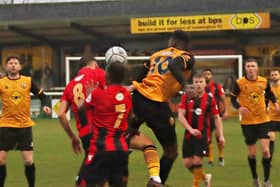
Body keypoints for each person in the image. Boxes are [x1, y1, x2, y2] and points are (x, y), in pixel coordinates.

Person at [128, 30, 195, 185]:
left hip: (138, 99)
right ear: (184, 46)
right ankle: (158, 183)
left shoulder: (155, 55)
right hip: (155, 103)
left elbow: (139, 78)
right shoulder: (186, 56)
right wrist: (185, 86)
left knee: (127, 132)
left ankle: (122, 151)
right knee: (171, 152)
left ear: (172, 42)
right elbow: (173, 65)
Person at [76, 61, 132, 187]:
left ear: (108, 76)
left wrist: (89, 95)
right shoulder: (127, 95)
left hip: (100, 149)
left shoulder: (97, 94)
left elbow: (80, 109)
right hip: (121, 149)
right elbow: (129, 118)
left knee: (82, 183)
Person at [0, 56, 51, 187]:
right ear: (6, 67)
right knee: (0, 161)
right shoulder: (1, 82)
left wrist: (46, 105)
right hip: (5, 125)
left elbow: (43, 96)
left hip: (24, 126)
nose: (13, 65)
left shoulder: (27, 81)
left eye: (15, 63)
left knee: (28, 161)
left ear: (19, 67)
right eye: (10, 63)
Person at [231, 58, 279, 187]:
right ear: (245, 68)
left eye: (253, 66)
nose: (251, 68)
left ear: (257, 68)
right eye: (248, 66)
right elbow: (233, 99)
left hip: (263, 120)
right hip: (248, 123)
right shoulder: (239, 83)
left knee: (265, 151)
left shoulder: (264, 81)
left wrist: (275, 103)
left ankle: (267, 180)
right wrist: (239, 107)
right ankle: (255, 178)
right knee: (252, 154)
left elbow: (270, 93)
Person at [178, 74, 225, 187]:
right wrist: (190, 129)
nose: (198, 84)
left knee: (197, 161)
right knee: (187, 163)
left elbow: (216, 117)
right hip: (189, 134)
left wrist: (221, 135)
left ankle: (196, 185)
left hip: (203, 135)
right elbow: (180, 116)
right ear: (193, 84)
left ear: (205, 84)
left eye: (200, 82)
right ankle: (205, 177)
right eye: (196, 82)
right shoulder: (186, 97)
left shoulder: (210, 99)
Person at [202, 68, 227, 166]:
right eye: (205, 74)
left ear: (211, 76)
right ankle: (210, 159)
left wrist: (225, 111)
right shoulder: (201, 86)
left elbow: (223, 99)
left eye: (208, 74)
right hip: (205, 116)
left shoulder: (217, 86)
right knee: (208, 138)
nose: (206, 76)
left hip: (216, 115)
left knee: (218, 136)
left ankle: (221, 156)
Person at [268, 69, 280, 164]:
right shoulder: (268, 89)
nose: (274, 76)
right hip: (272, 117)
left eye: (276, 74)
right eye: (272, 75)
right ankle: (269, 160)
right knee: (271, 138)